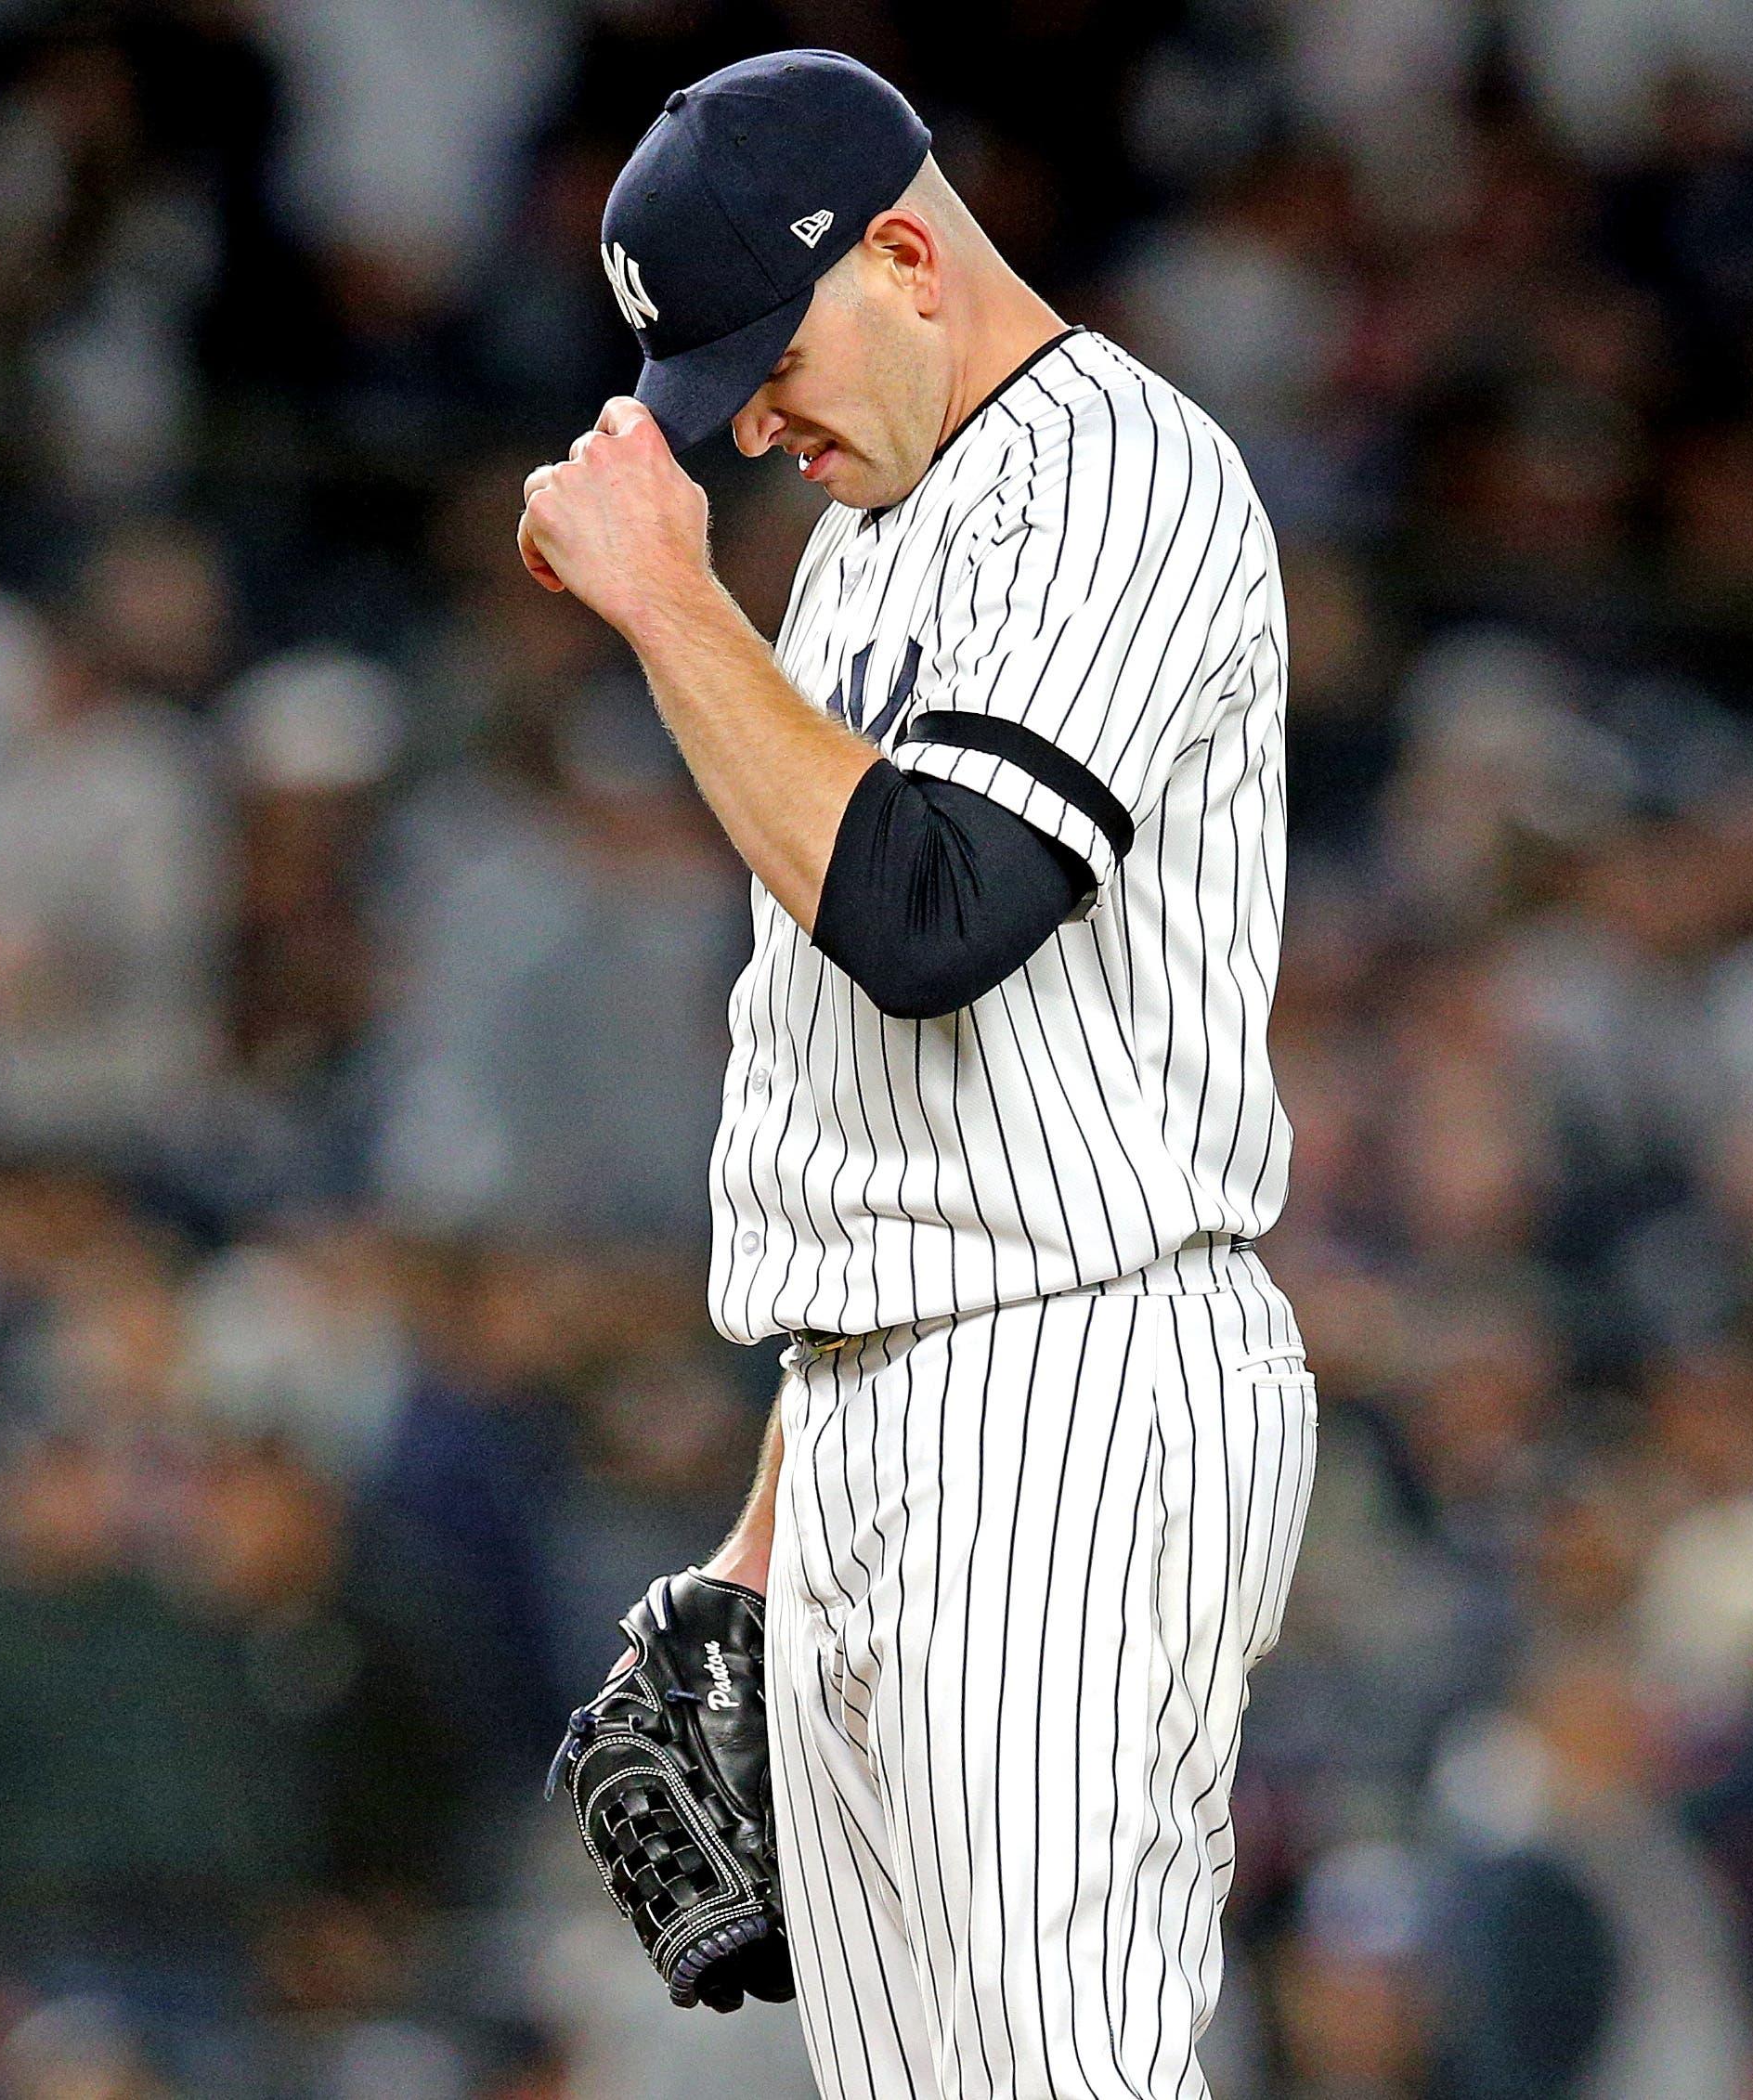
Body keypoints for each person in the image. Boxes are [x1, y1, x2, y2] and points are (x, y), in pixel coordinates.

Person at [515, 51, 1314, 2100]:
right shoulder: (879, 526)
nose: (752, 423)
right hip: (882, 1392)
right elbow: (859, 1084)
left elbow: (936, 910)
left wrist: (664, 597)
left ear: (901, 255)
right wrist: (768, 1535)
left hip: (1073, 1381)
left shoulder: (1114, 475)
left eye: (765, 362)